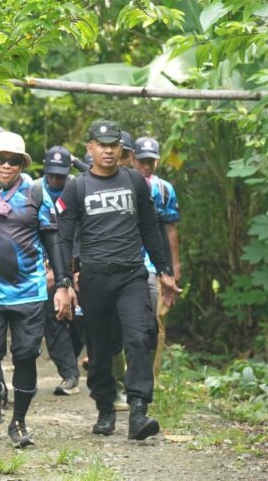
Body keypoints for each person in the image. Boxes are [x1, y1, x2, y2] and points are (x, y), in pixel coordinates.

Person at [56, 120, 180, 441]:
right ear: (90, 148)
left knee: (139, 337)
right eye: (102, 145)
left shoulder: (135, 181)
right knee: (100, 348)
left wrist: (164, 271)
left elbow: (150, 229)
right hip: (94, 279)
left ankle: (138, 411)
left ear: (121, 149)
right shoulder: (77, 187)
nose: (108, 151)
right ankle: (105, 407)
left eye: (114, 145)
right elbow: (64, 238)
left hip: (131, 275)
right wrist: (64, 283)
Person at [0, 131, 74, 448]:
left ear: (22, 164)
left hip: (30, 291)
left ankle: (18, 422)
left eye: (13, 160)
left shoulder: (36, 193)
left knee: (26, 355)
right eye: (0, 159)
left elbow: (53, 239)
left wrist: (63, 283)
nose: (6, 166)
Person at [133, 136, 181, 378]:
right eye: (142, 161)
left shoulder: (164, 189)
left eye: (150, 161)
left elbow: (170, 229)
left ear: (157, 161)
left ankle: (151, 376)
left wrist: (174, 265)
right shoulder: (124, 184)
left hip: (156, 264)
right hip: (128, 260)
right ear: (133, 159)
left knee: (156, 318)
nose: (146, 166)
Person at [36, 146, 81, 396]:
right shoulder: (33, 190)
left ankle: (74, 362)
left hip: (77, 260)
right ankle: (69, 374)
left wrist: (76, 269)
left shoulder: (78, 187)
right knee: (54, 316)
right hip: (44, 264)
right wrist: (48, 267)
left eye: (60, 175)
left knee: (81, 320)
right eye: (51, 174)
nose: (55, 180)